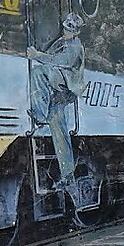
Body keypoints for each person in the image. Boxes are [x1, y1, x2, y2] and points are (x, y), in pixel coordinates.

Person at [27, 12, 85, 188]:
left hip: (68, 86)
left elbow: (57, 61)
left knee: (38, 72)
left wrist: (36, 55)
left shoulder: (75, 46)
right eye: (66, 28)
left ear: (77, 32)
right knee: (57, 124)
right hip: (58, 91)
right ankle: (67, 173)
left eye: (71, 30)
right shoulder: (61, 42)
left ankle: (39, 114)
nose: (67, 31)